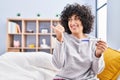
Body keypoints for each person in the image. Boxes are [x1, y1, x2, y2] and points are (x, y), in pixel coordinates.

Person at [52, 3, 107, 80]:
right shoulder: (62, 38)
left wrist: (97, 54)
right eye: (70, 19)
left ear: (84, 21)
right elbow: (57, 65)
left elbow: (97, 71)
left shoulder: (94, 42)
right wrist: (59, 40)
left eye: (76, 18)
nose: (72, 23)